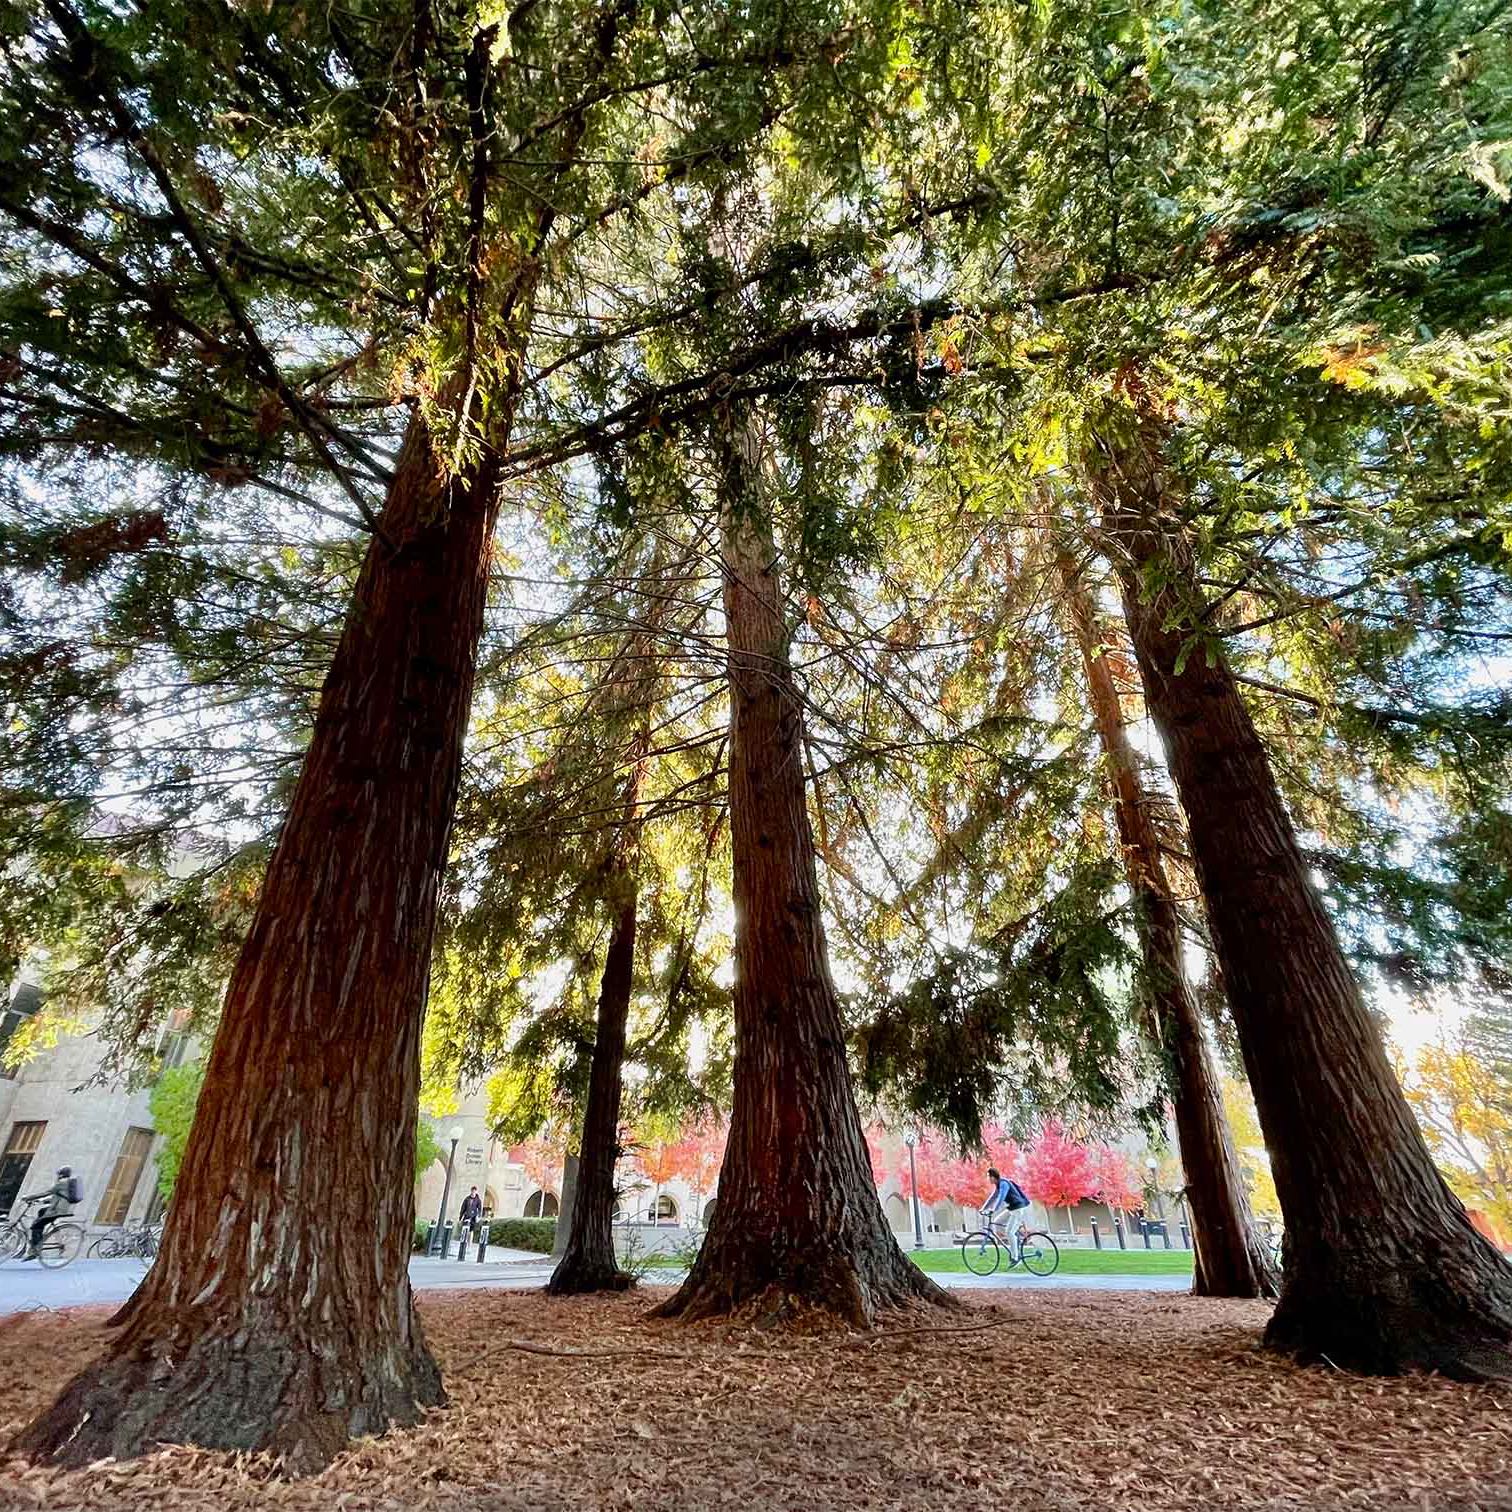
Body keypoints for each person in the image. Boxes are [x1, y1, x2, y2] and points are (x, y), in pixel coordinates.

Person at [23, 1166, 75, 1261]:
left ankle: (36, 1249)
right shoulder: (68, 1183)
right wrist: (41, 1201)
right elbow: (56, 1197)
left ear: (61, 1174)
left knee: (36, 1226)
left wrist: (29, 1197)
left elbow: (47, 1192)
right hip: (61, 1208)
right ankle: (38, 1240)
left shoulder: (62, 1183)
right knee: (41, 1212)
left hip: (57, 1210)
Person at [981, 1165, 1029, 1259]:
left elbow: (1001, 1197)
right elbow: (993, 1197)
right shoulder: (998, 1185)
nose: (988, 1179)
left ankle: (1015, 1258)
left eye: (988, 1177)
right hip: (1012, 1208)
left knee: (1009, 1232)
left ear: (993, 1177)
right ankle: (1014, 1238)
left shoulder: (1003, 1184)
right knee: (997, 1222)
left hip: (1018, 1208)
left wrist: (993, 1209)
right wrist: (983, 1208)